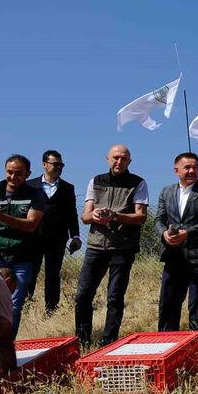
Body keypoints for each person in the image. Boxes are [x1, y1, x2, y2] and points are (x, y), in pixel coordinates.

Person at [74, 145, 148, 347]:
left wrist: (115, 216)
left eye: (123, 159)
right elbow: (85, 216)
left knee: (114, 297)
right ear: (107, 159)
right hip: (96, 245)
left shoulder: (138, 183)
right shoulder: (96, 181)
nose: (119, 161)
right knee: (82, 295)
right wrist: (95, 215)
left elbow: (141, 217)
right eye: (115, 157)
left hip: (123, 247)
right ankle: (81, 341)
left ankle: (109, 342)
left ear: (129, 162)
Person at [155, 152, 198, 332]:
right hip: (173, 256)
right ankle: (165, 345)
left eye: (195, 167)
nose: (192, 171)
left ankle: (196, 346)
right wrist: (164, 234)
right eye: (187, 167)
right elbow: (159, 219)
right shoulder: (166, 192)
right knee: (168, 305)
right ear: (176, 170)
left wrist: (187, 233)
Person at [0, 155, 45, 337]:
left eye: (18, 173)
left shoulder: (35, 194)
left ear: (27, 174)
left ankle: (6, 350)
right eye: (10, 172)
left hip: (22, 258)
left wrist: (2, 218)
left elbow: (31, 224)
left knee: (13, 306)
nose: (13, 177)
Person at [27, 150, 81, 313]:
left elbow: (72, 213)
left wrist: (75, 236)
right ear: (44, 164)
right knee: (30, 272)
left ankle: (51, 308)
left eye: (61, 165)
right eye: (54, 164)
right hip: (32, 237)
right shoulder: (29, 185)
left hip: (57, 238)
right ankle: (25, 306)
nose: (58, 167)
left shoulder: (67, 188)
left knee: (53, 274)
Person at [0, 268, 17, 374]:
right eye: (11, 291)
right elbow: (4, 327)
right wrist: (12, 373)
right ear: (7, 281)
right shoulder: (1, 284)